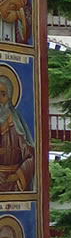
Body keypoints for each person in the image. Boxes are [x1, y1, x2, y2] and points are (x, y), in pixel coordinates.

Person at [0, 64, 35, 192]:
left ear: (9, 97)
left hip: (13, 183)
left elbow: (30, 156)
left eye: (2, 94)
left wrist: (17, 175)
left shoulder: (16, 123)